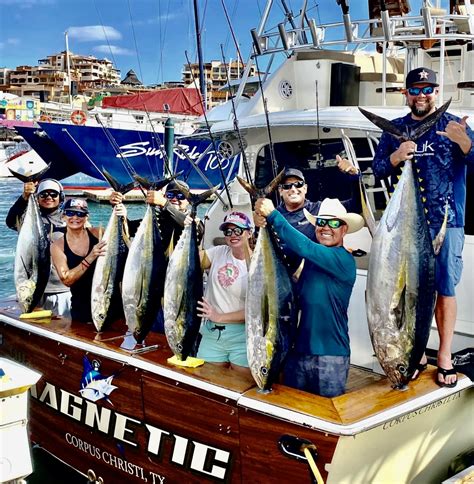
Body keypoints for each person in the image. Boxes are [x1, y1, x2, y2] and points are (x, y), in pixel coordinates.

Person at [372, 67, 474, 388]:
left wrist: (467, 145)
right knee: (409, 291)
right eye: (415, 89)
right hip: (406, 229)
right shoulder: (395, 130)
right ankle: (415, 354)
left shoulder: (454, 126)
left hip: (448, 222)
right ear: (406, 93)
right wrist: (396, 157)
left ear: (436, 92)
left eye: (428, 89)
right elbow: (376, 171)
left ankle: (443, 355)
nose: (422, 95)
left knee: (444, 289)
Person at [255, 197, 364, 397]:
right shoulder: (311, 262)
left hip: (331, 355)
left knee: (327, 421)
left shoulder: (343, 259)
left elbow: (305, 246)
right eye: (321, 222)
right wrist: (262, 227)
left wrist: (273, 215)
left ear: (344, 229)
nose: (326, 228)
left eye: (333, 223)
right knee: (294, 412)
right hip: (297, 352)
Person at [254, 167, 360, 276]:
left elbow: (357, 205)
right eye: (287, 186)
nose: (293, 189)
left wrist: (354, 176)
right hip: (280, 276)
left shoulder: (321, 210)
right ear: (280, 191)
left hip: (312, 276)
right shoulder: (271, 215)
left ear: (305, 188)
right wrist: (258, 223)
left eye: (298, 184)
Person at [195, 211, 253, 376]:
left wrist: (219, 316)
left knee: (243, 385)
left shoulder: (256, 263)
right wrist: (193, 231)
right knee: (206, 382)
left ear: (249, 233)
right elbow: (188, 262)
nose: (232, 235)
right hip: (212, 334)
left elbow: (256, 310)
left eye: (238, 230)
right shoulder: (218, 252)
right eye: (228, 231)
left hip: (243, 336)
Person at [6, 178, 71, 317]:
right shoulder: (25, 219)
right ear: (38, 197)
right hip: (37, 290)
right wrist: (25, 197)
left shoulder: (70, 219)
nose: (49, 197)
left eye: (53, 194)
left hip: (62, 289)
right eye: (43, 194)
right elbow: (10, 220)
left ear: (61, 197)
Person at [51, 199, 106, 322]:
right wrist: (91, 256)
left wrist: (120, 213)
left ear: (87, 217)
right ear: (63, 216)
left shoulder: (99, 234)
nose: (75, 217)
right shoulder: (58, 246)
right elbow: (67, 280)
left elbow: (124, 236)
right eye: (70, 213)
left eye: (80, 214)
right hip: (82, 308)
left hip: (109, 301)